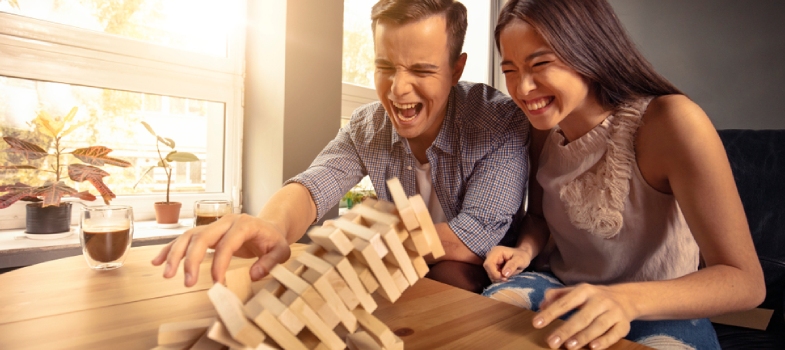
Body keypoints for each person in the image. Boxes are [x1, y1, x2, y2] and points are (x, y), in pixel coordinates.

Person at [152, 0, 529, 293]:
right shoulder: (368, 125)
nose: (398, 89)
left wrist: (358, 242)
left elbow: (472, 237)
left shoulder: (500, 122)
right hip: (400, 272)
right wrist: (271, 225)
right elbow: (316, 184)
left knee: (448, 275)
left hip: (479, 279)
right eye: (386, 66)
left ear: (456, 69)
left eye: (421, 70)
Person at [480, 0, 765, 349]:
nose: (522, 89)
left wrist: (624, 300)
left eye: (540, 63)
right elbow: (538, 217)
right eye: (509, 69)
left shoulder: (673, 122)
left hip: (660, 308)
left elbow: (746, 281)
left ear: (589, 51)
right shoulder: (544, 126)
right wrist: (523, 250)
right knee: (487, 319)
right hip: (563, 291)